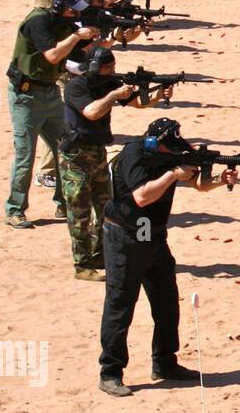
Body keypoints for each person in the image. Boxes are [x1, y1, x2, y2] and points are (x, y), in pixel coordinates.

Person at [98, 118, 237, 396]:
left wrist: (221, 180)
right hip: (124, 237)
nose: (173, 153)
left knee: (166, 302)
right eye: (169, 149)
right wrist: (173, 174)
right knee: (121, 305)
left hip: (153, 237)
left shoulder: (171, 153)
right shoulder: (134, 155)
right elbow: (142, 197)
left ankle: (165, 363)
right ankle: (110, 372)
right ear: (154, 143)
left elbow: (200, 184)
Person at [61, 48, 170, 281]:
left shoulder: (109, 84)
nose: (112, 71)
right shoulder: (76, 87)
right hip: (76, 156)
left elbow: (140, 104)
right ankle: (82, 264)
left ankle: (100, 254)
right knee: (79, 210)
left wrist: (158, 93)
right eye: (107, 68)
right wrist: (114, 95)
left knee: (105, 208)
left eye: (112, 67)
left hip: (97, 153)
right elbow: (91, 112)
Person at [5, 0, 100, 228]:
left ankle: (64, 203)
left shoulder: (64, 25)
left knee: (66, 148)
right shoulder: (38, 22)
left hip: (50, 92)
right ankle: (15, 210)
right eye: (72, 11)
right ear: (58, 9)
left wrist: (109, 36)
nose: (74, 16)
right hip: (26, 96)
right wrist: (78, 35)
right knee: (25, 156)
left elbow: (79, 54)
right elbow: (52, 56)